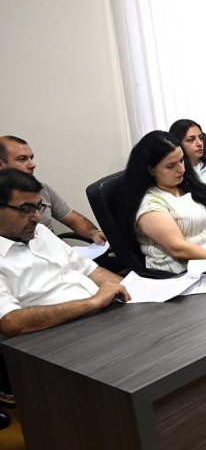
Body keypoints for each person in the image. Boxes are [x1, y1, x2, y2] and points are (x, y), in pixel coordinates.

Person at [0, 170, 130, 410]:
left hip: (100, 318)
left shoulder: (40, 233)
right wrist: (92, 302)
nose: (36, 217)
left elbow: (90, 270)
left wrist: (132, 291)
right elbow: (11, 322)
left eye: (38, 207)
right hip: (58, 340)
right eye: (26, 209)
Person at [121, 131, 206, 274]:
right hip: (189, 270)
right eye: (171, 166)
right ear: (151, 170)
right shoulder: (149, 205)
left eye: (181, 160)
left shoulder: (193, 183)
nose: (182, 169)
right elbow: (178, 249)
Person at [0, 135, 107, 244]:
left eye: (31, 158)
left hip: (52, 250)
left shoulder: (42, 189)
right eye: (22, 159)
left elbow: (72, 218)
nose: (32, 165)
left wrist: (93, 233)